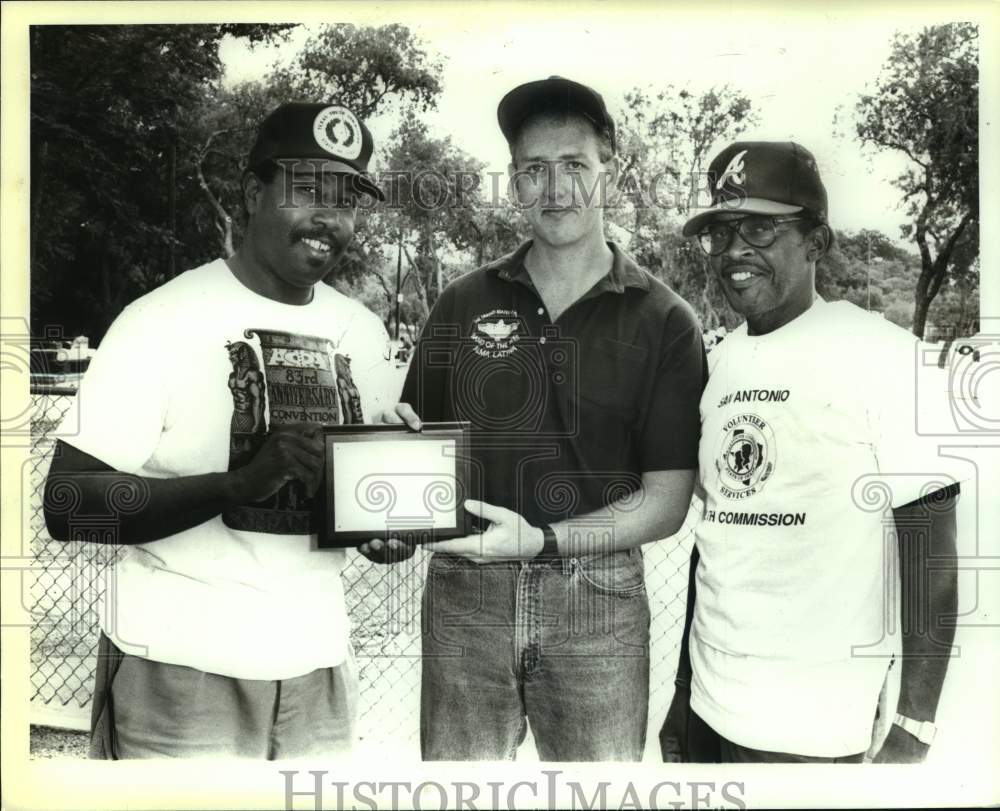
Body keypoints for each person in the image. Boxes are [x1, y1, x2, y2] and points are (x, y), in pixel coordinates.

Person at [362, 77, 706, 761]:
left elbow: (666, 501)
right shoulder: (462, 303)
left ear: (610, 166)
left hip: (598, 596)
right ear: (514, 182)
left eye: (575, 164)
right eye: (534, 169)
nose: (556, 188)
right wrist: (385, 516)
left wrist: (542, 541)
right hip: (466, 590)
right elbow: (416, 460)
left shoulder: (665, 319)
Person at [43, 102, 396, 759]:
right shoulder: (163, 317)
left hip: (315, 668)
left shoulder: (365, 334)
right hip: (179, 668)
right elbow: (68, 504)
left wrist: (389, 529)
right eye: (306, 192)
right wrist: (239, 484)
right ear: (252, 193)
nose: (328, 218)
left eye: (346, 200)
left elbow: (359, 501)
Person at [659, 141, 961, 763]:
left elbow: (933, 556)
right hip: (712, 709)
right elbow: (717, 536)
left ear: (816, 242)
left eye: (761, 228)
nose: (735, 250)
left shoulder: (882, 356)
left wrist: (916, 725)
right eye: (721, 233)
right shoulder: (724, 363)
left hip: (816, 724)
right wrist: (684, 693)